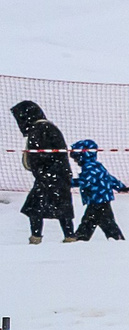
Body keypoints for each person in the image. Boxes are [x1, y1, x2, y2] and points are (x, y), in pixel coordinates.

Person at [13, 99, 75, 244]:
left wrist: (41, 173)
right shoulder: (49, 128)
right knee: (62, 208)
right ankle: (69, 236)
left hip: (48, 176)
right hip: (59, 175)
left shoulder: (38, 130)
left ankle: (36, 237)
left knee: (35, 208)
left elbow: (37, 157)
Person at [69, 139, 129, 240]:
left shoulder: (89, 167)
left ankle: (81, 237)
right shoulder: (97, 166)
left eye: (76, 158)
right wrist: (120, 186)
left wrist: (67, 183)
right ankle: (115, 237)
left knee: (90, 220)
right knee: (103, 220)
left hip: (97, 199)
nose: (75, 161)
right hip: (103, 198)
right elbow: (109, 178)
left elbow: (85, 181)